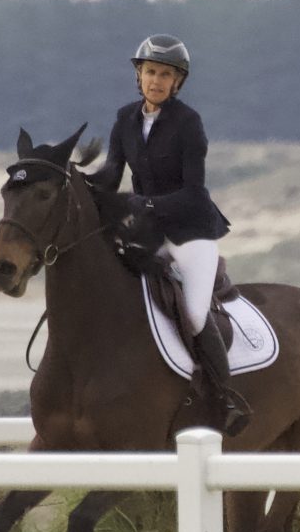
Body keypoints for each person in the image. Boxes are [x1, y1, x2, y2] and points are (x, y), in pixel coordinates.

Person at [90, 33, 251, 436]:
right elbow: (112, 173)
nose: (156, 81)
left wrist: (144, 205)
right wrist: (80, 186)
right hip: (149, 233)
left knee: (194, 313)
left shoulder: (188, 123)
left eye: (165, 75)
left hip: (191, 230)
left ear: (177, 82)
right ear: (139, 75)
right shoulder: (125, 119)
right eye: (150, 72)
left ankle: (225, 397)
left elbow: (194, 192)